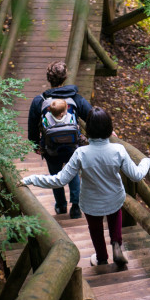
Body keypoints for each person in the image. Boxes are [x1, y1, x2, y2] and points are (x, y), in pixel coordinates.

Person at [22, 107, 150, 266]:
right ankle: (116, 244)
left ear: (88, 129)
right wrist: (147, 161)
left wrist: (32, 179)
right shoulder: (118, 150)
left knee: (95, 229)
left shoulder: (81, 153)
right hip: (114, 197)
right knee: (115, 216)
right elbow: (136, 175)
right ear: (109, 128)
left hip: (91, 202)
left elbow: (59, 180)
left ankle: (101, 257)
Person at [27, 61, 92, 218]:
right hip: (72, 146)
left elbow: (32, 125)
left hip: (50, 147)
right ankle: (76, 206)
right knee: (73, 173)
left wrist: (35, 144)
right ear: (65, 77)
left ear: (49, 78)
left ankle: (61, 205)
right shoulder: (75, 98)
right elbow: (91, 115)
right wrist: (108, 130)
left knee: (55, 175)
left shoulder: (39, 101)